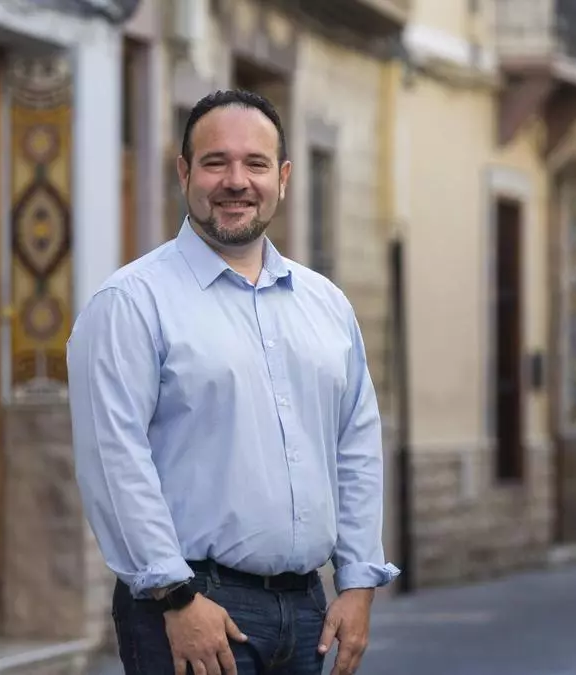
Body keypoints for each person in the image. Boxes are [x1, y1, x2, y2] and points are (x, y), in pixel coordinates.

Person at [67, 88, 400, 675]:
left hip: (307, 614)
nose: (236, 181)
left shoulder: (326, 304)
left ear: (284, 176)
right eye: (216, 162)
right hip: (192, 609)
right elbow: (115, 460)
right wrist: (174, 596)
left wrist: (359, 580)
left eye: (256, 164)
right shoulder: (132, 303)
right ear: (184, 172)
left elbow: (356, 447)